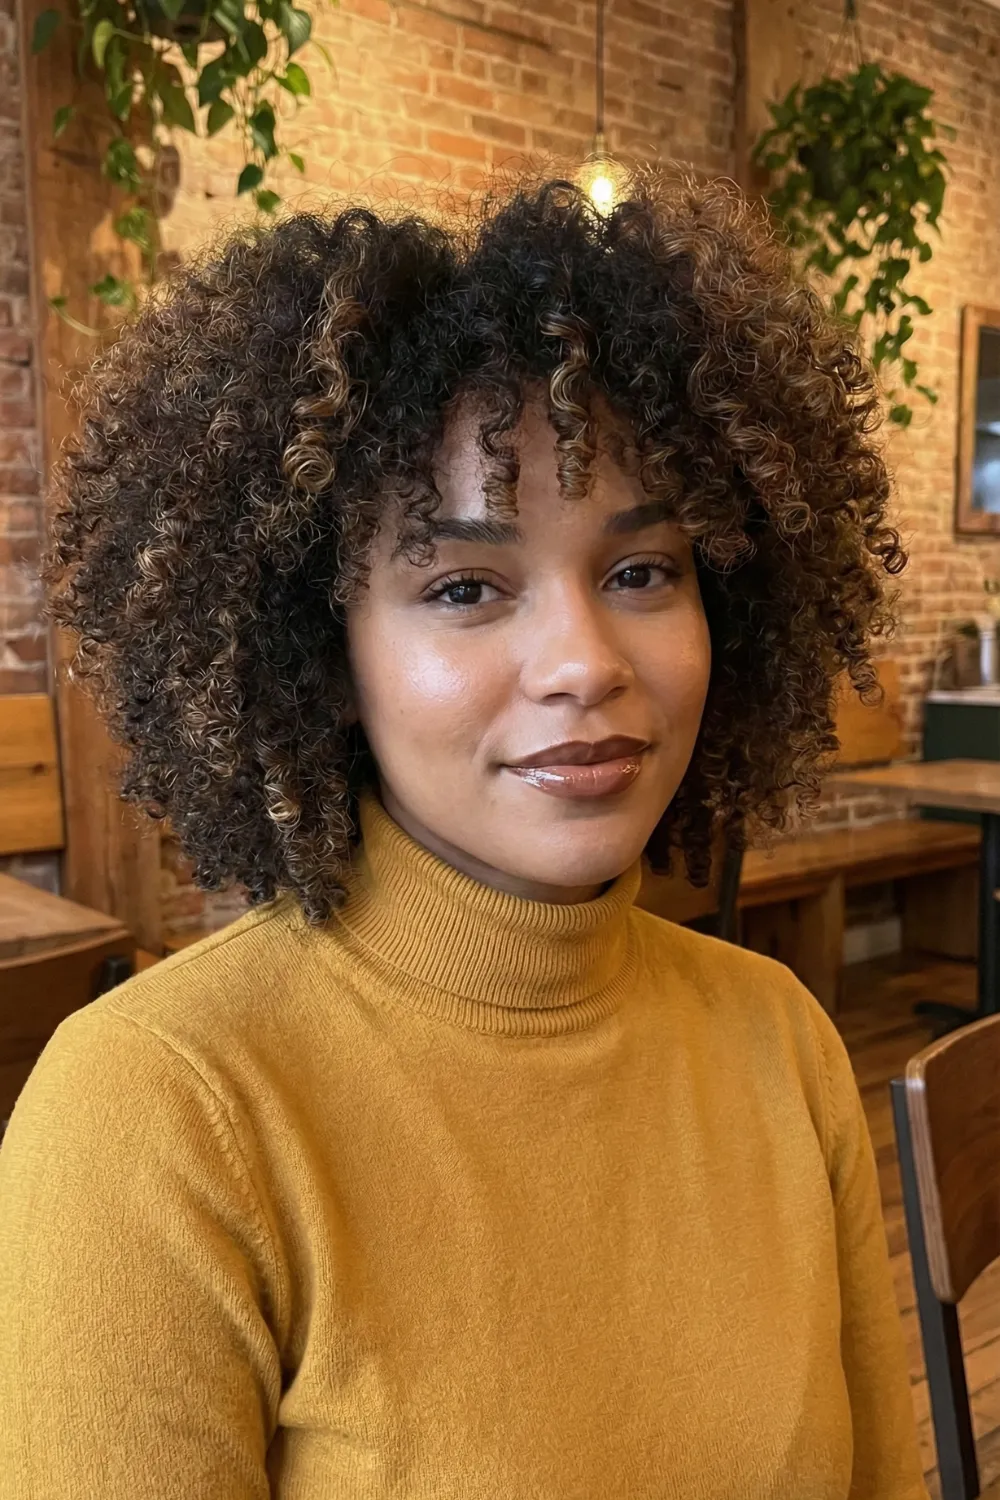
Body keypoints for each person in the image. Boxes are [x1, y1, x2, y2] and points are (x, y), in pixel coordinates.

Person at [0, 172, 927, 1500]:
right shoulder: (156, 1115)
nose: (582, 662)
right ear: (328, 653)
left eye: (640, 571)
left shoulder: (780, 1037)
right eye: (464, 586)